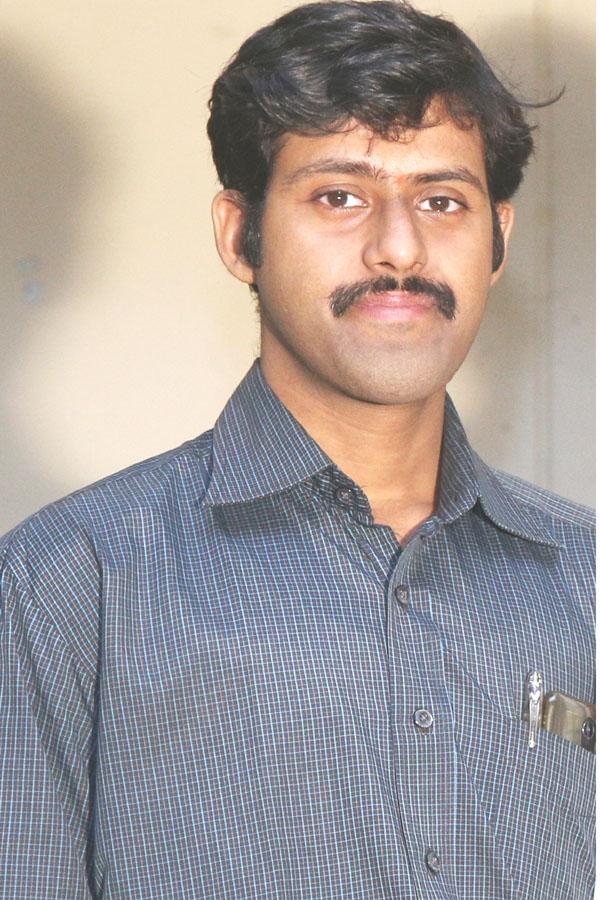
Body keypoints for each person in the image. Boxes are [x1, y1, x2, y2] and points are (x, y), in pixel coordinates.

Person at [0, 1, 594, 898]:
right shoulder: (70, 583)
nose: (399, 248)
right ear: (240, 235)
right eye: (339, 196)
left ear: (498, 240)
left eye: (441, 200)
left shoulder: (584, 575)